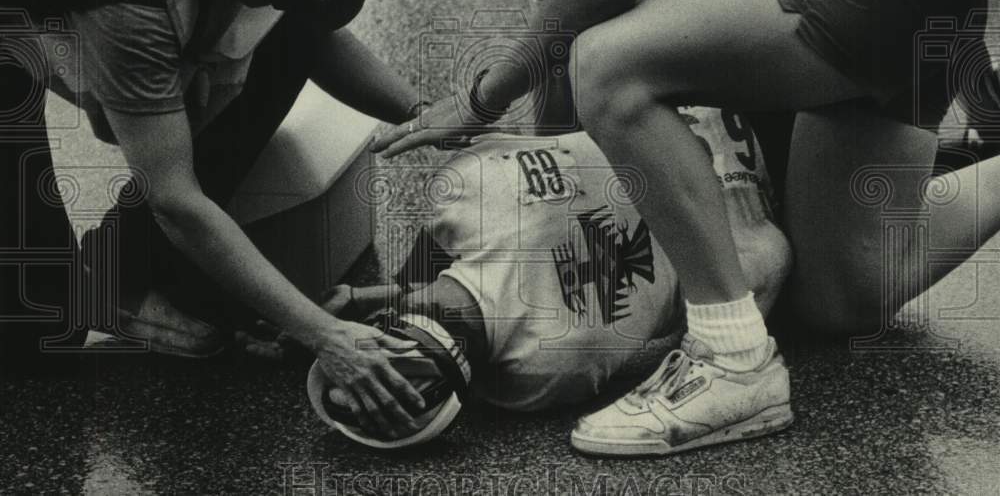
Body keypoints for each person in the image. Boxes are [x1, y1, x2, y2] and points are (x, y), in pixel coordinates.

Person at [307, 0, 1000, 455]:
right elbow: (569, 96)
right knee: (836, 301)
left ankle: (733, 363)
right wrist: (458, 263)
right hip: (876, 18)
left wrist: (479, 99)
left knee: (611, 63)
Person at [0, 0, 432, 440]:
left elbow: (313, 35)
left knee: (277, 41)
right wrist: (324, 335)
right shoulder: (135, 1)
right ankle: (81, 291)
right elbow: (176, 199)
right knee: (38, 332)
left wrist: (427, 114)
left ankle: (118, 275)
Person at [258, 109, 790, 424]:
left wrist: (357, 309)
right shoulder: (462, 185)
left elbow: (490, 311)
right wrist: (362, 304)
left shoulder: (544, 379)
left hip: (757, 222)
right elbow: (466, 284)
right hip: (695, 106)